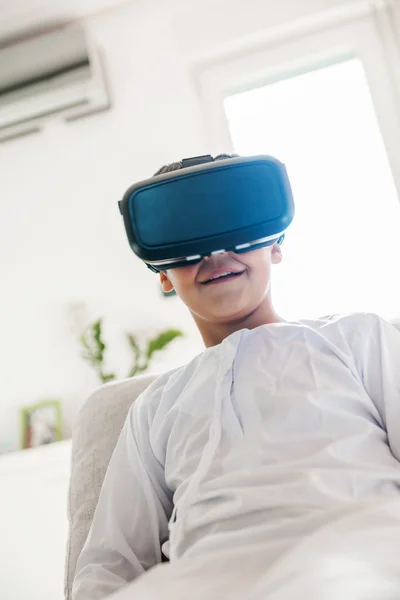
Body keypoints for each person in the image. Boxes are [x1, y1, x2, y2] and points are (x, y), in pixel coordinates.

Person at [72, 155, 400, 600]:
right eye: (186, 234)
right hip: (204, 582)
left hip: (359, 552)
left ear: (277, 245)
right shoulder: (156, 406)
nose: (215, 251)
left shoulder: (357, 336)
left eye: (234, 227)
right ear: (164, 275)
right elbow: (111, 561)